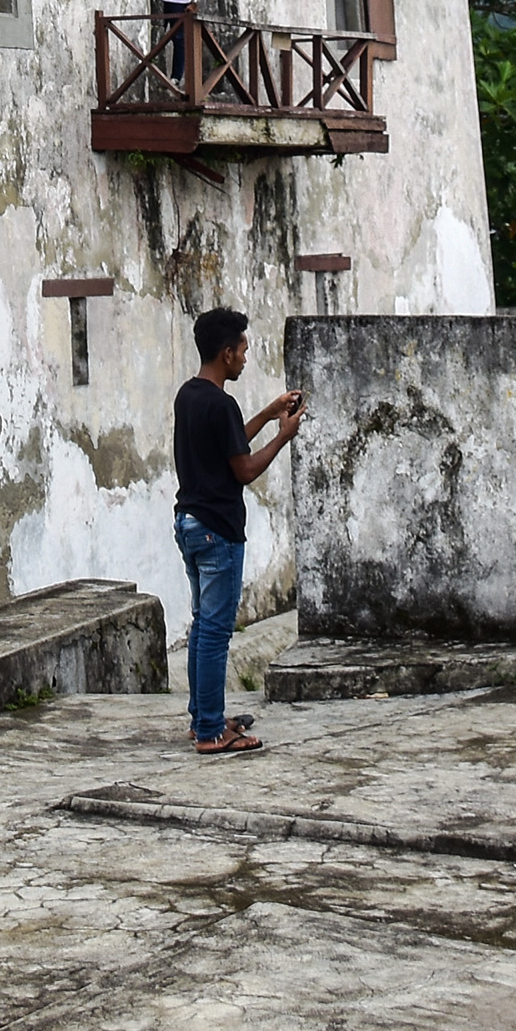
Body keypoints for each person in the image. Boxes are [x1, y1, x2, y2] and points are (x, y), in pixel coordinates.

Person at [174, 305, 303, 754]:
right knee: (215, 631)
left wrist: (269, 414)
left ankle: (202, 717)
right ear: (227, 353)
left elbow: (228, 443)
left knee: (201, 627)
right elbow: (244, 468)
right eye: (243, 350)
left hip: (189, 524)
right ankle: (211, 731)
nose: (246, 358)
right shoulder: (221, 403)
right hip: (217, 530)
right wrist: (283, 436)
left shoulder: (190, 396)